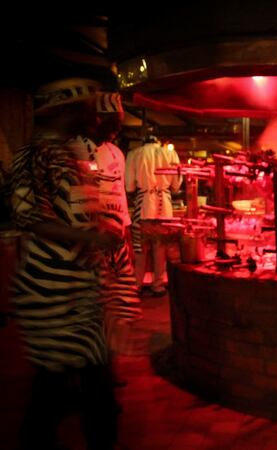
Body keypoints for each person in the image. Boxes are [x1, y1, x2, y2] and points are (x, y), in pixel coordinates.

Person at [10, 78, 120, 449]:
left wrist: (99, 224)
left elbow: (70, 215)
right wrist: (91, 237)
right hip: (52, 291)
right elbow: (29, 216)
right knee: (58, 387)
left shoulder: (66, 154)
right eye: (86, 108)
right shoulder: (32, 155)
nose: (94, 115)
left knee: (86, 383)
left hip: (80, 289)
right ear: (64, 112)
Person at [92, 92, 142, 383]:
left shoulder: (116, 154)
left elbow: (121, 195)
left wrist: (127, 235)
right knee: (95, 306)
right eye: (111, 122)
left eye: (119, 123)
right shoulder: (79, 151)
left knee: (117, 303)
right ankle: (93, 369)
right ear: (95, 119)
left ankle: (108, 363)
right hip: (91, 241)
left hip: (117, 239)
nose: (116, 129)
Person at [125, 134, 181, 296]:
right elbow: (176, 185)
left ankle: (137, 285)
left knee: (140, 249)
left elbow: (129, 186)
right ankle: (158, 285)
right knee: (160, 249)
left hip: (144, 206)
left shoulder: (135, 154)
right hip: (165, 208)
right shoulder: (170, 153)